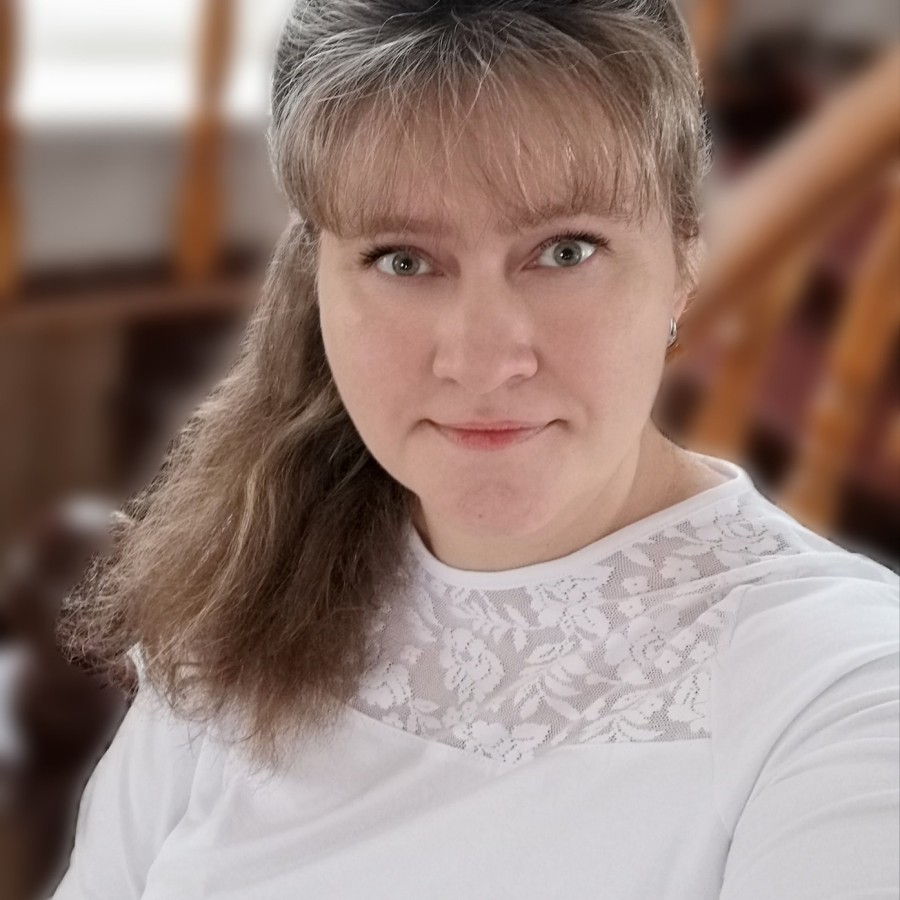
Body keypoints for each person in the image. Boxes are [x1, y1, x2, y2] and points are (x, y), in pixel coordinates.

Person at [49, 1, 899, 898]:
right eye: (404, 261)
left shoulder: (843, 693)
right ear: (320, 277)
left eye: (565, 252)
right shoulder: (241, 603)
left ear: (685, 258)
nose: (484, 360)